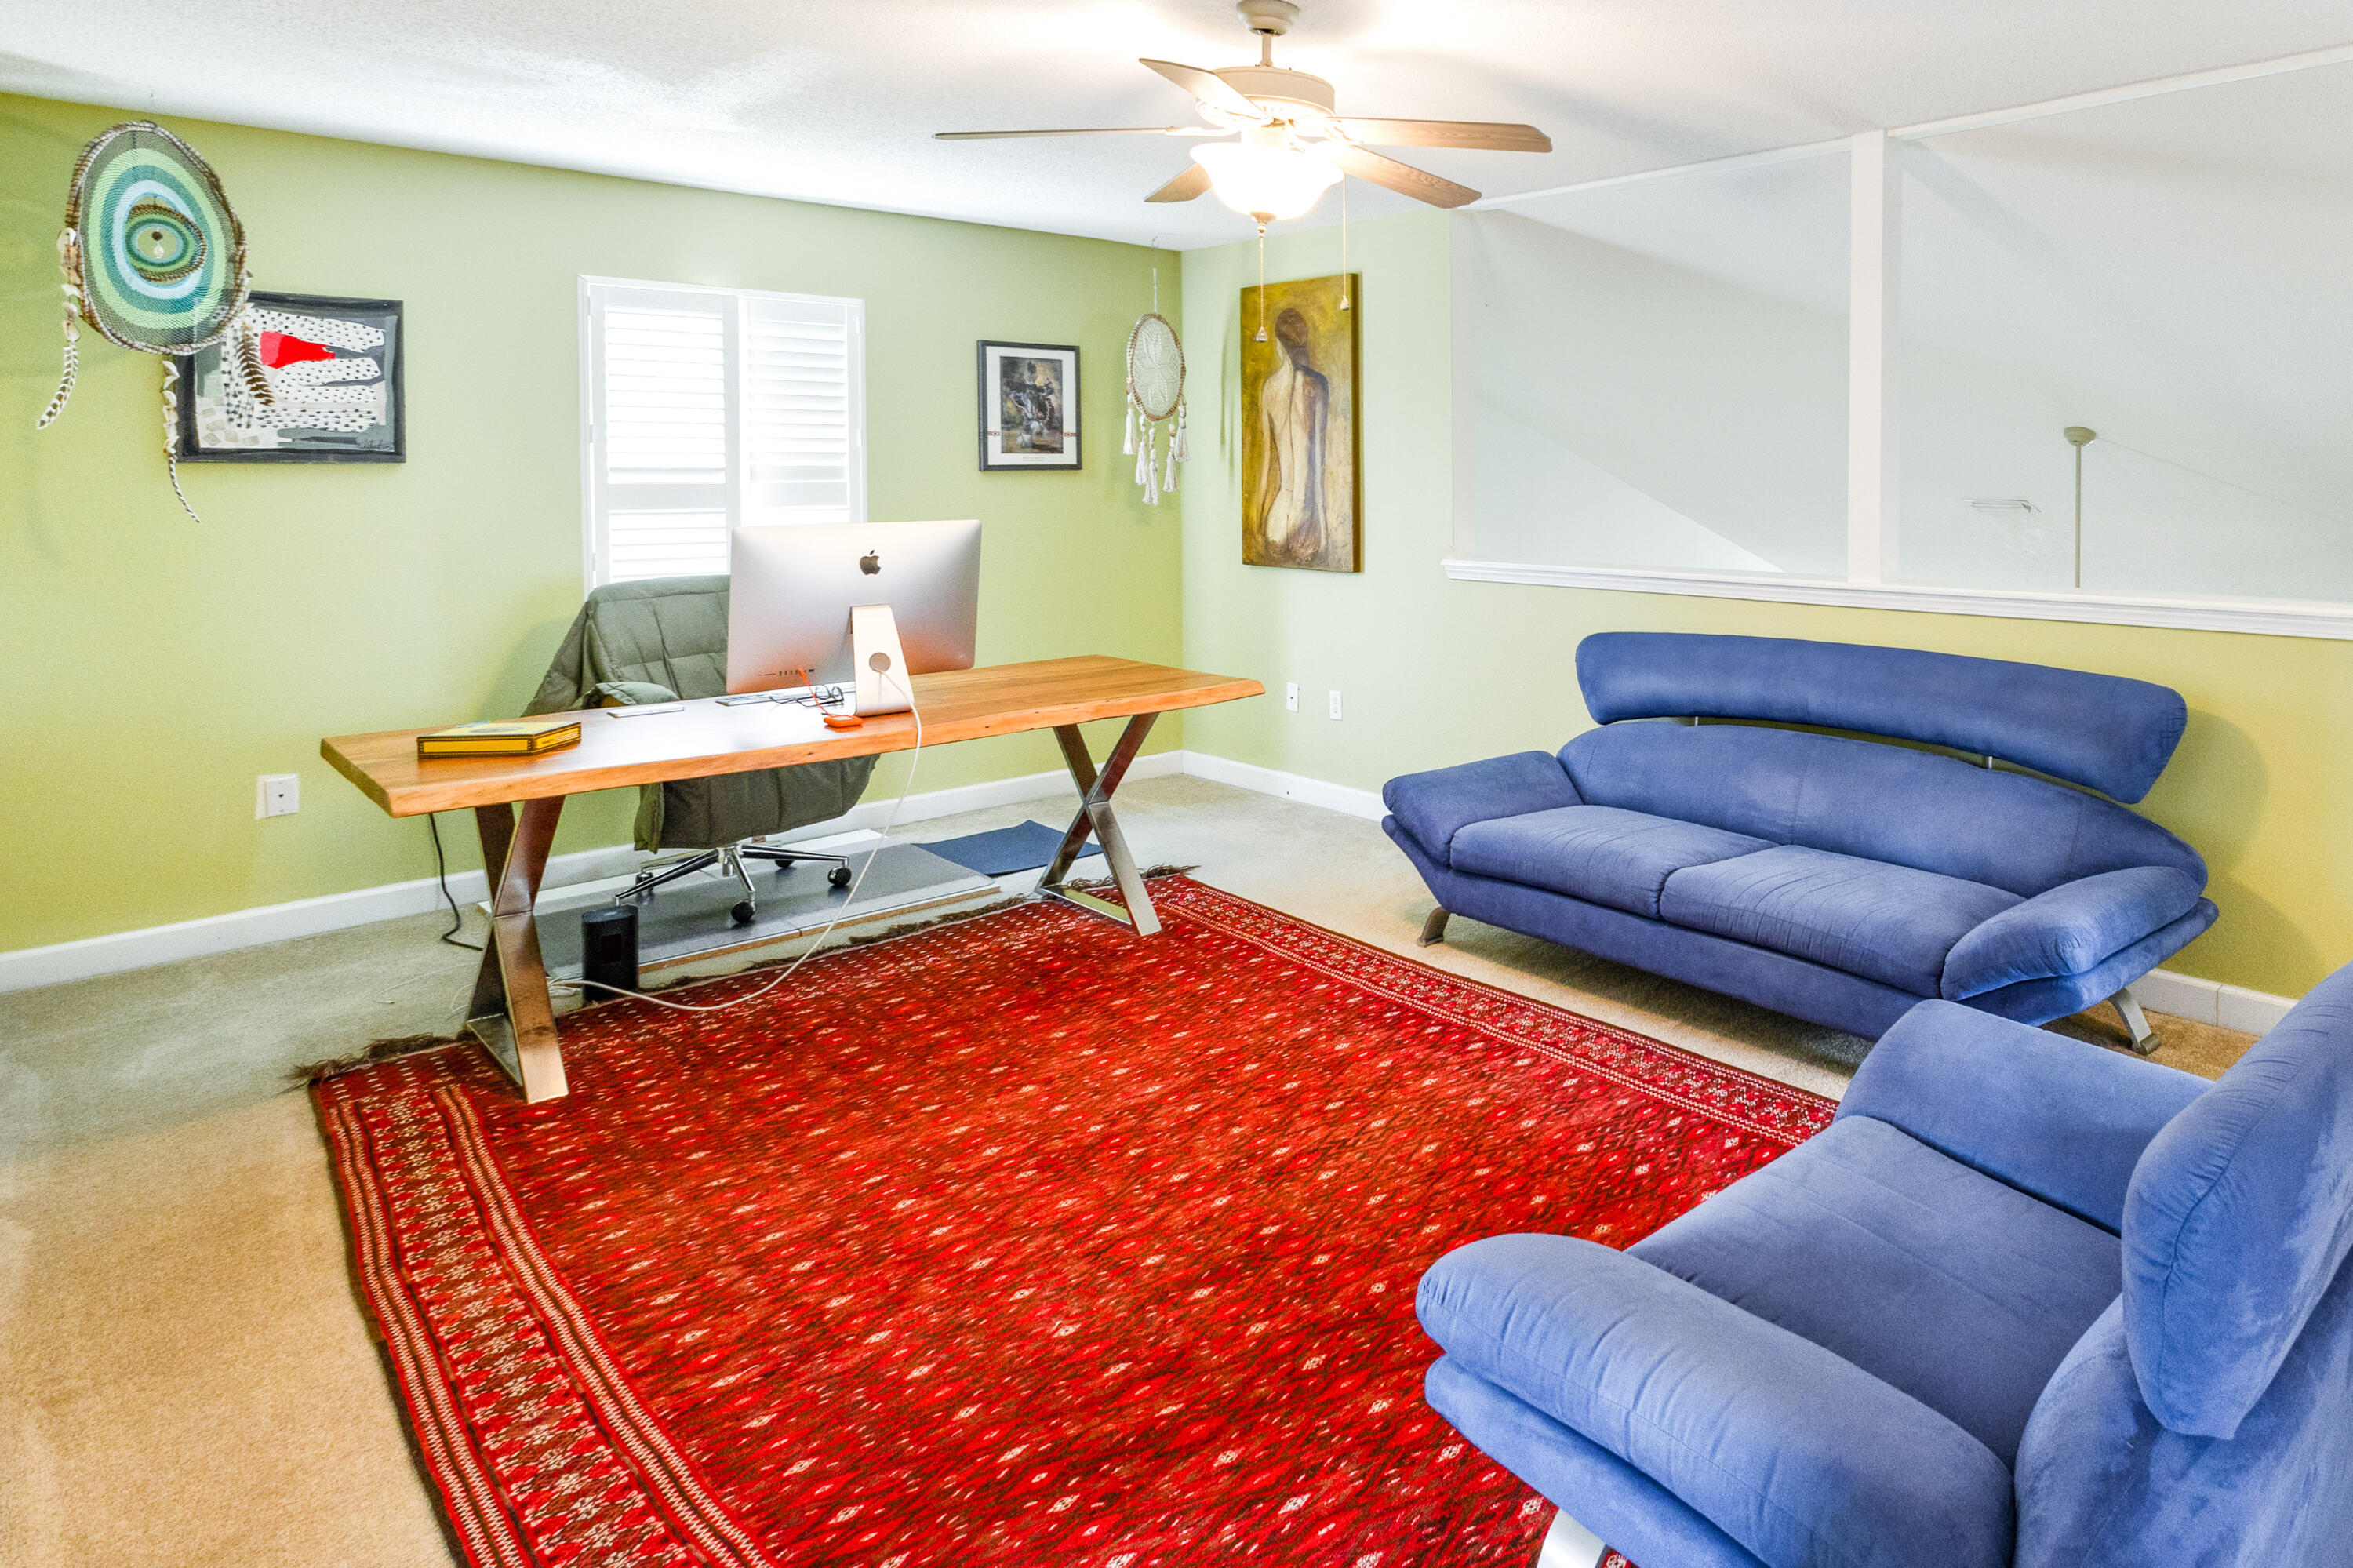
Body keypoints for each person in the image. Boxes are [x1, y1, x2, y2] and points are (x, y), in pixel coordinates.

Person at [1255, 307, 1328, 562]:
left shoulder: (1269, 388)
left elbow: (1266, 468)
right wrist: (1324, 529)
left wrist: (1258, 522)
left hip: (1276, 520)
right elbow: (1318, 466)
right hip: (1306, 519)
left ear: (1277, 343)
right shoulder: (1316, 385)